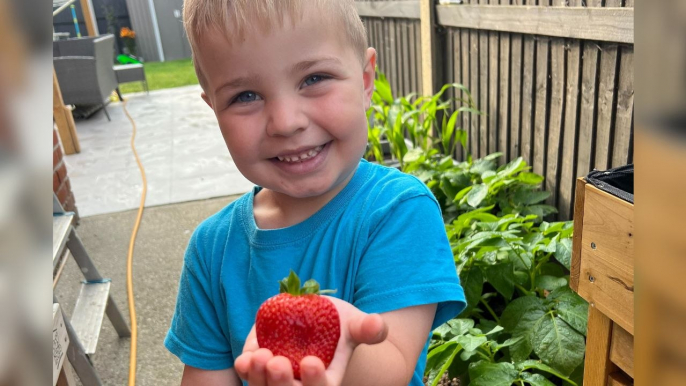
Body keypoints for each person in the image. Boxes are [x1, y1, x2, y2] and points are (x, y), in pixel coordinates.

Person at [165, 1, 466, 385]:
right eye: (245, 96)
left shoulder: (398, 210)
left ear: (365, 80)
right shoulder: (211, 249)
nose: (287, 122)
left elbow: (391, 367)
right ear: (213, 109)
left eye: (313, 79)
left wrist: (332, 335)